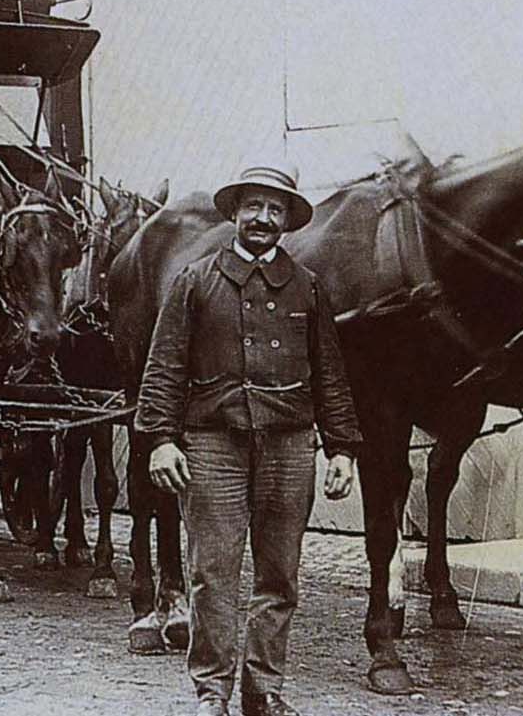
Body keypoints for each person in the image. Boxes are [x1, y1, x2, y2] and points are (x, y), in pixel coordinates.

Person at [135, 161, 362, 716]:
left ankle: (264, 691)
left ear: (286, 220)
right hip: (213, 445)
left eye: (275, 208)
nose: (263, 218)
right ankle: (212, 693)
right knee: (212, 574)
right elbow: (163, 368)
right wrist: (163, 439)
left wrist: (342, 447)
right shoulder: (195, 281)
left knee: (279, 575)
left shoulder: (306, 287)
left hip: (289, 446)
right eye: (254, 206)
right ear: (235, 212)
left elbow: (329, 373)